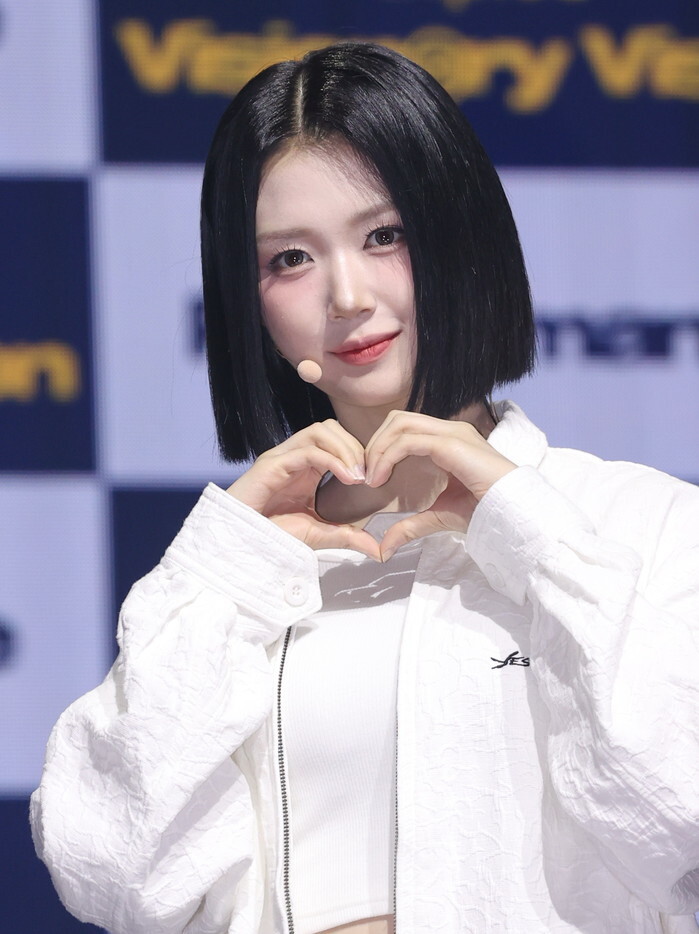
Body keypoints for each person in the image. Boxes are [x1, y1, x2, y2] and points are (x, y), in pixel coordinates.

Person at [30, 42, 699, 934]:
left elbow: (680, 825)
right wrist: (224, 568)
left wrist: (528, 535)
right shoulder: (247, 572)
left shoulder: (641, 525)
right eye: (289, 259)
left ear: (459, 239)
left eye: (383, 236)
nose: (346, 295)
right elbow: (113, 871)